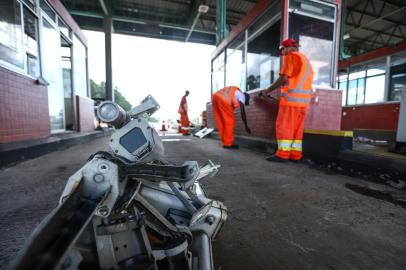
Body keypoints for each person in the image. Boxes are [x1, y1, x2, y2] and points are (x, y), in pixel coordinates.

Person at [259, 38, 314, 162]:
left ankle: (283, 154)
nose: (282, 53)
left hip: (291, 102)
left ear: (286, 48)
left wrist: (267, 91)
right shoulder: (305, 60)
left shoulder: (291, 57)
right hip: (303, 103)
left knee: (284, 126)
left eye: (282, 50)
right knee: (296, 129)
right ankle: (295, 155)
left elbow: (283, 79)